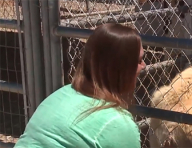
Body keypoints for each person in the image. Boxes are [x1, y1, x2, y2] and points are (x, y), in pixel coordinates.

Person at [14, 23, 146, 148]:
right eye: (139, 60)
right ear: (122, 68)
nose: (144, 66)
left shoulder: (60, 95)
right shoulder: (117, 124)